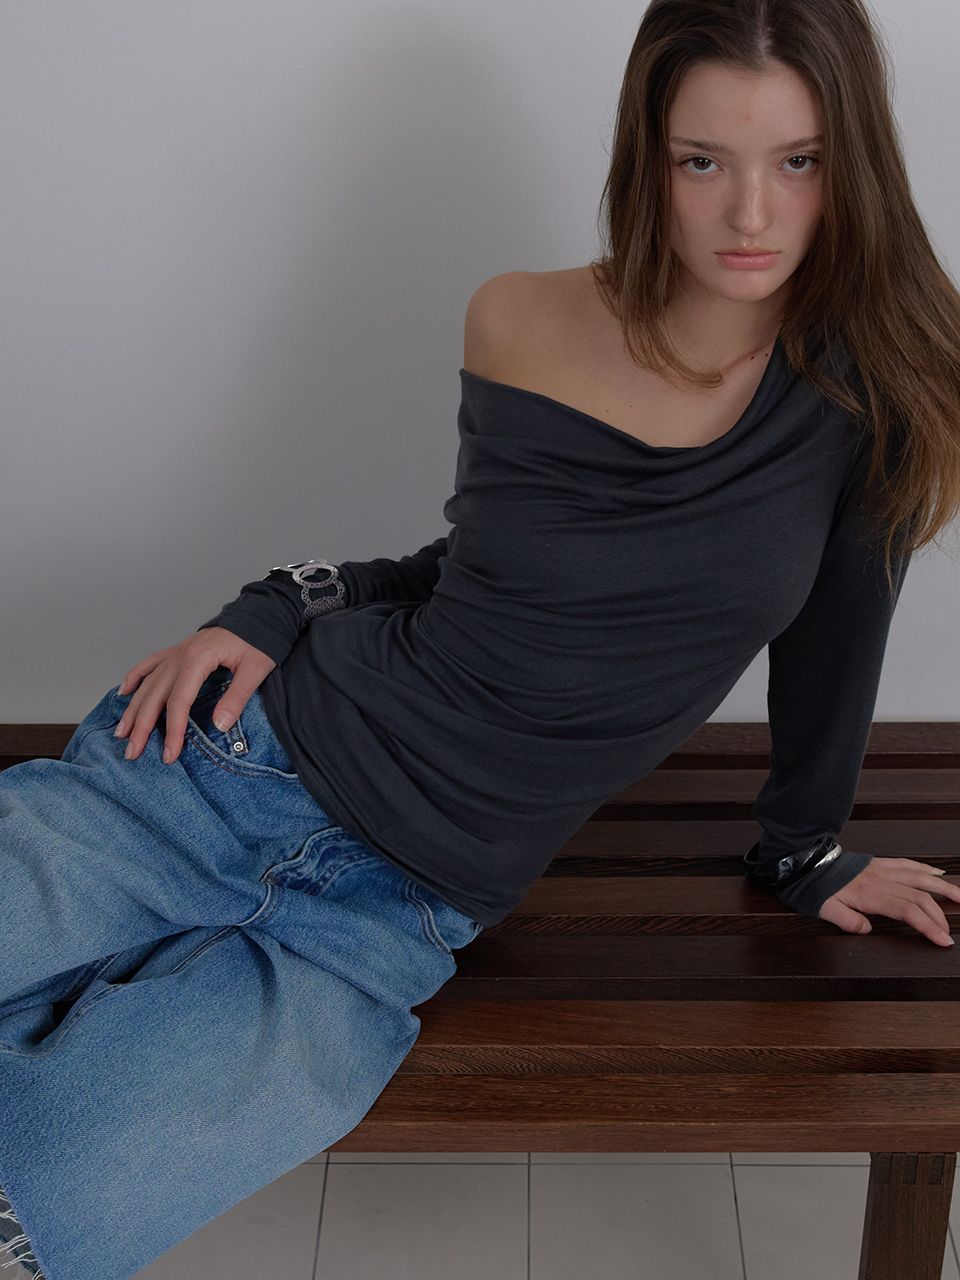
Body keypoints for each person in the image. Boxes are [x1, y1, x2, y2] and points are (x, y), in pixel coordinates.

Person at [3, 1, 960, 1277]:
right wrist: (271, 605)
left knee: (50, 1194)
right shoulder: (521, 319)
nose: (751, 213)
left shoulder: (878, 394)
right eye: (703, 160)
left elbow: (840, 637)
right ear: (648, 157)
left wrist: (807, 848)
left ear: (857, 164)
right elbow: (469, 572)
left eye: (800, 161)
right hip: (227, 768)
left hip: (389, 912)